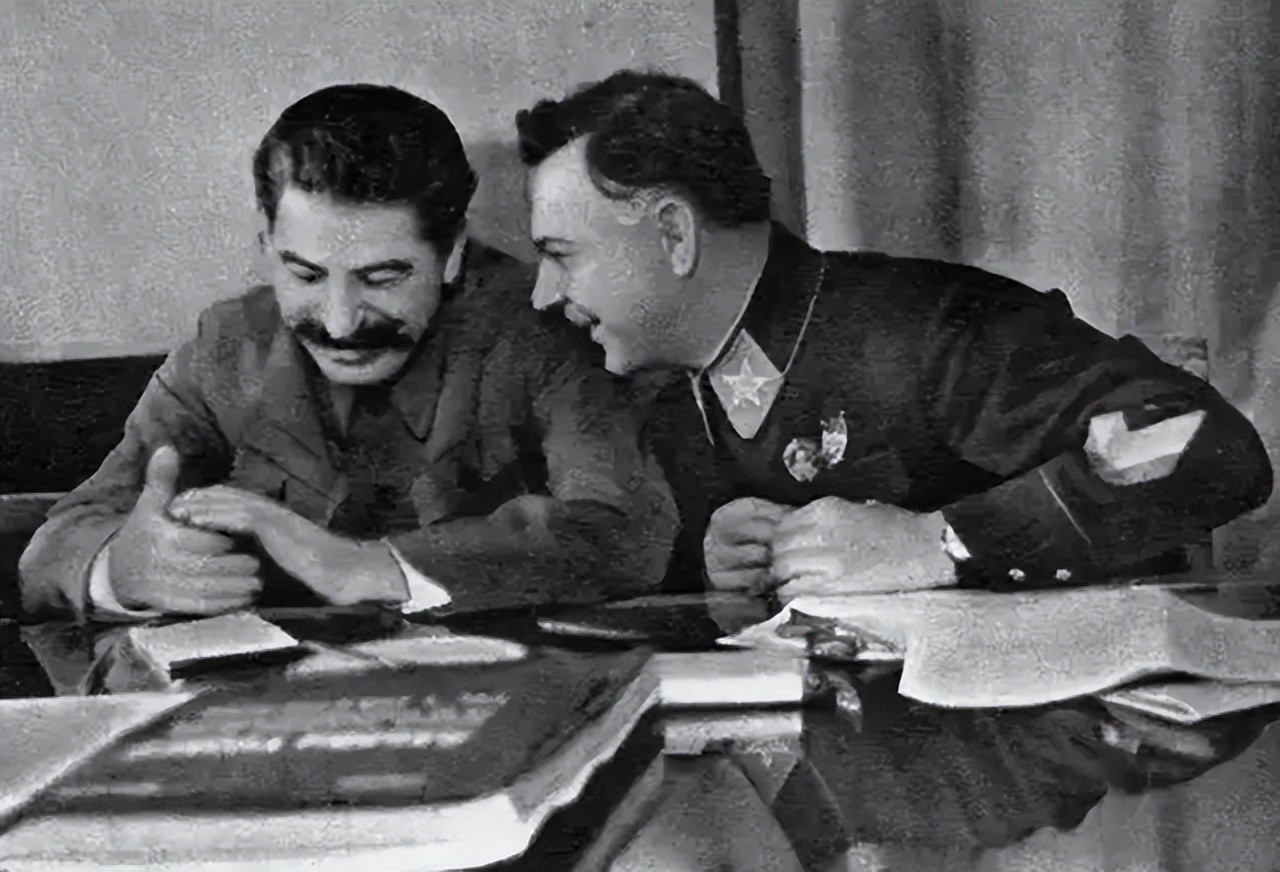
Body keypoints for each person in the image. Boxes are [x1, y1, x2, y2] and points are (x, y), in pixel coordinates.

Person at [514, 70, 1273, 600]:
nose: (545, 295)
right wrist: (723, 572)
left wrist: (943, 542)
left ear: (674, 235)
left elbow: (1205, 443)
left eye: (560, 255)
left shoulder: (929, 328)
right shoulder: (681, 400)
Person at [18, 83, 677, 622]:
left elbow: (622, 532)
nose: (339, 322)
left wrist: (365, 567)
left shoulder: (544, 335)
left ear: (451, 254)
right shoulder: (227, 347)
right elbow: (58, 542)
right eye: (305, 275)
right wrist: (123, 568)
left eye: (382, 278)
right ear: (266, 245)